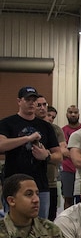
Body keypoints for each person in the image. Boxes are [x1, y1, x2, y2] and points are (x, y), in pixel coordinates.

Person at [0, 87, 63, 219]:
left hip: (40, 185)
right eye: (28, 99)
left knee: (40, 226)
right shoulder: (7, 123)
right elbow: (2, 145)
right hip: (14, 184)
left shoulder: (46, 126)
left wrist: (46, 156)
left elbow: (59, 156)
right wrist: (27, 138)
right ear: (19, 101)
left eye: (34, 100)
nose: (32, 103)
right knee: (13, 226)